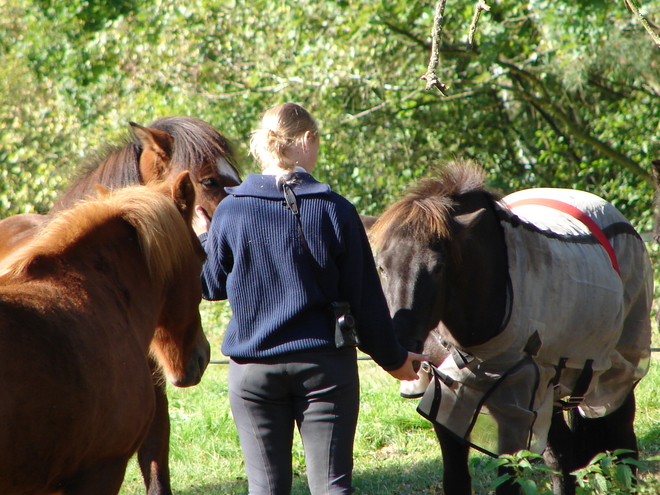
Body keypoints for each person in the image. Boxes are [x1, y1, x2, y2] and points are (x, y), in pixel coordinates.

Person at [193, 102, 426, 495]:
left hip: (252, 373)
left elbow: (211, 287)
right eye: (317, 143)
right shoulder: (336, 210)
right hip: (325, 370)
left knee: (265, 489)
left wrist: (204, 238)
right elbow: (366, 299)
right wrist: (395, 360)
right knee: (332, 488)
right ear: (307, 140)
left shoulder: (230, 212)